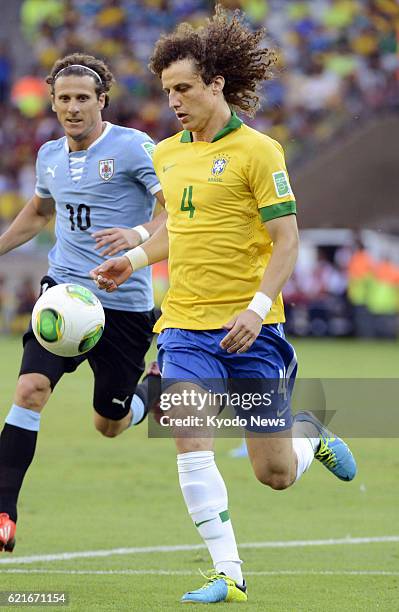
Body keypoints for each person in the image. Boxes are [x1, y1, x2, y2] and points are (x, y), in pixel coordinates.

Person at [92, 6, 357, 605]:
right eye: (167, 91)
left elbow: (287, 239)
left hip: (252, 329)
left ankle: (308, 437)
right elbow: (175, 232)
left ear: (216, 85)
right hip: (184, 324)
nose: (175, 101)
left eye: (184, 88)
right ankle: (228, 572)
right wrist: (132, 260)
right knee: (187, 432)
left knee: (276, 475)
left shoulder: (261, 152)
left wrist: (257, 306)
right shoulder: (167, 154)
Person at [0, 53, 165, 553]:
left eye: (82, 98)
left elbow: (177, 211)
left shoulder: (136, 148)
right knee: (29, 389)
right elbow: (39, 209)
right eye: (64, 98)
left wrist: (136, 237)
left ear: (101, 101)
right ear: (51, 102)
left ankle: (153, 388)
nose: (72, 108)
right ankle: (4, 511)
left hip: (124, 303)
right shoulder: (48, 154)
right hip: (65, 294)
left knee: (109, 424)